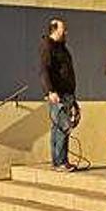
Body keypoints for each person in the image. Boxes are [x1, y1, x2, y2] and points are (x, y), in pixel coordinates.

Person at [40, 18, 77, 172]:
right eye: (63, 29)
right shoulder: (48, 47)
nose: (66, 32)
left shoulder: (61, 47)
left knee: (57, 127)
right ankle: (61, 162)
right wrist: (50, 91)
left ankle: (57, 161)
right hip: (59, 93)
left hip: (66, 92)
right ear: (54, 30)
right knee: (63, 127)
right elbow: (44, 70)